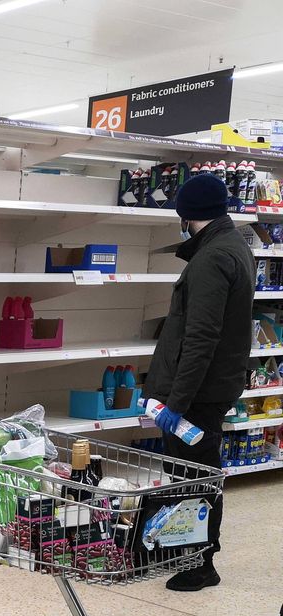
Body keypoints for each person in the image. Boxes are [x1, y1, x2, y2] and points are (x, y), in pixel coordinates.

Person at [143, 173, 253, 592]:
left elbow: (201, 336)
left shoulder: (212, 257)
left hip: (197, 394)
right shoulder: (234, 246)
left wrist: (177, 401)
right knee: (195, 472)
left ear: (186, 215)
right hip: (212, 387)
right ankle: (186, 552)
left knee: (193, 476)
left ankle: (201, 562)